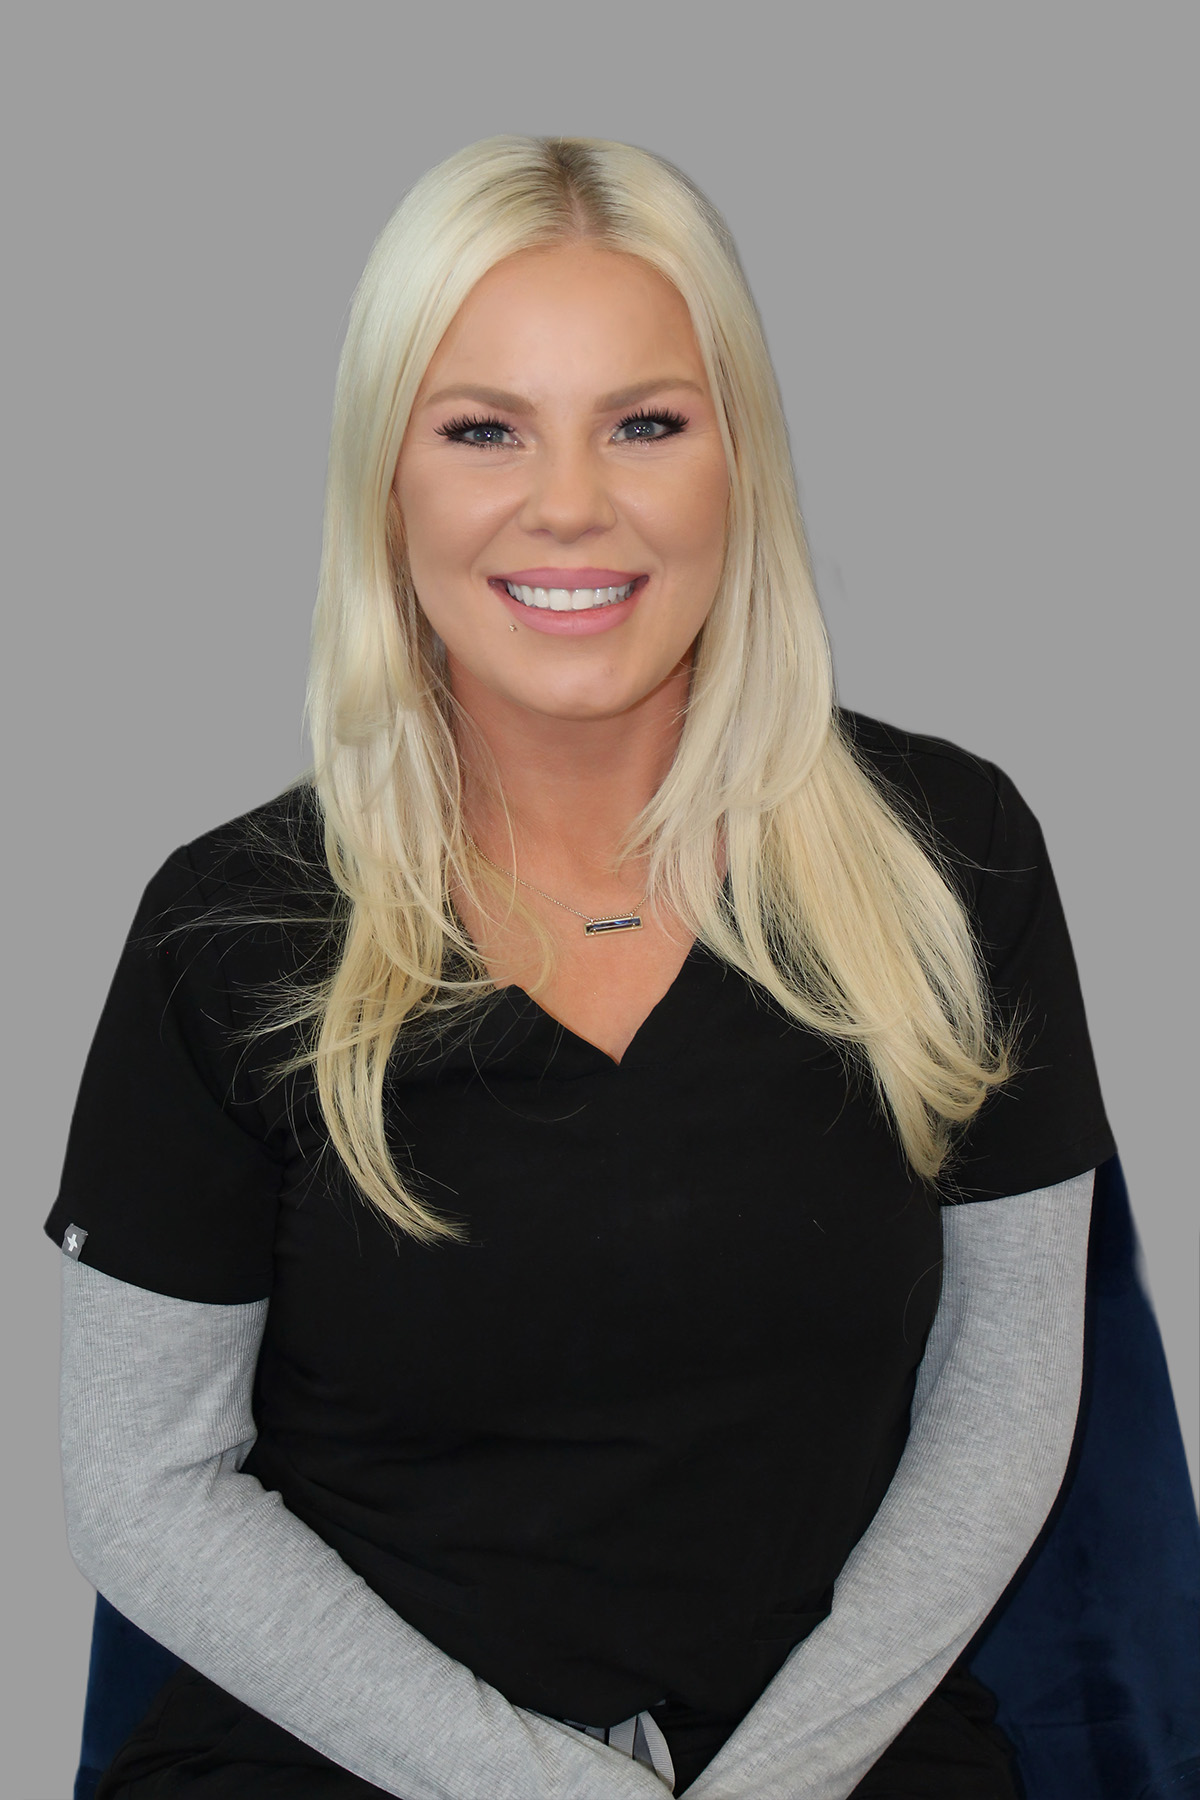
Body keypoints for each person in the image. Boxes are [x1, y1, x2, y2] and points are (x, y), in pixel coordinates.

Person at [48, 136, 1115, 1799]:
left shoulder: (952, 857)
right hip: (350, 1766)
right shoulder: (228, 933)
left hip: (830, 1762)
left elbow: (1012, 1394)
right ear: (384, 478)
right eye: (483, 430)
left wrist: (783, 1773)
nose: (570, 503)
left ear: (737, 460)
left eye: (646, 423)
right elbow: (145, 1481)